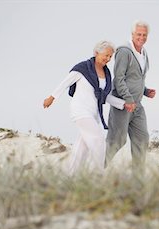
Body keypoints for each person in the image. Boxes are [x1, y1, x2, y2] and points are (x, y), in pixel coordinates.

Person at [43, 41, 131, 174]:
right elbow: (65, 82)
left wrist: (122, 104)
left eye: (110, 57)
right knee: (98, 139)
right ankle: (99, 173)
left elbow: (104, 96)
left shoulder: (106, 74)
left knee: (81, 148)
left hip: (93, 113)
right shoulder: (83, 68)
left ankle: (70, 175)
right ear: (96, 53)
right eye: (106, 55)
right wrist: (52, 97)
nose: (108, 59)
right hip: (80, 110)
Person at [106, 20, 156, 174]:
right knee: (117, 141)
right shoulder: (124, 52)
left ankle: (138, 177)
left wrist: (146, 91)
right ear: (132, 34)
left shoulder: (144, 52)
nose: (141, 37)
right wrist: (127, 99)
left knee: (142, 139)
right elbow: (118, 78)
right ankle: (97, 167)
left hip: (137, 105)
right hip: (123, 104)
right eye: (138, 34)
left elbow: (135, 78)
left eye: (144, 35)